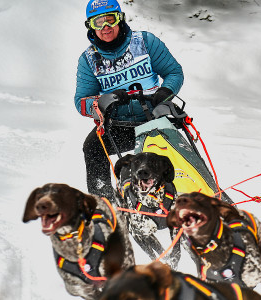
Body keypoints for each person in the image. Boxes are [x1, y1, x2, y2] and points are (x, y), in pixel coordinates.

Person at [74, 0, 184, 203]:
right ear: (90, 26)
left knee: (177, 155)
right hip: (119, 125)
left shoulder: (145, 42)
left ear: (120, 19)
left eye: (110, 20)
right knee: (92, 146)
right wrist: (101, 102)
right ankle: (106, 204)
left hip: (154, 119)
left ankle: (200, 192)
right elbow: (81, 101)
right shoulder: (88, 60)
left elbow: (173, 72)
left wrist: (165, 91)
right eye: (98, 23)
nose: (105, 27)